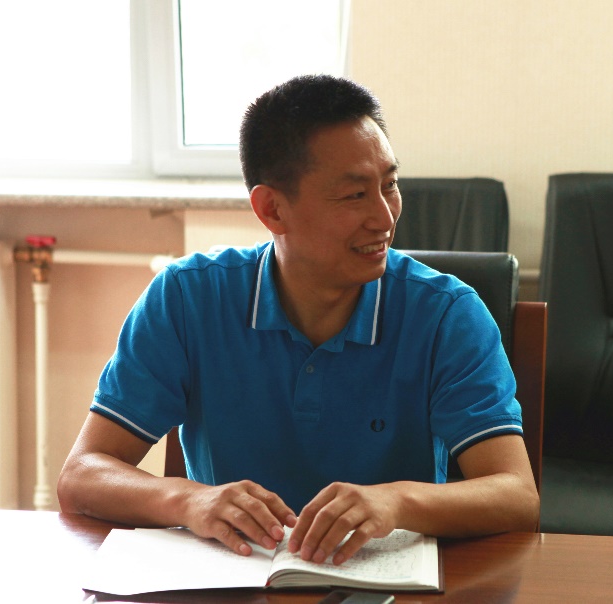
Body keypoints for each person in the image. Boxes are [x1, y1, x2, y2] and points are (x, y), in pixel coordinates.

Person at [57, 74, 539, 566]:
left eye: (390, 185)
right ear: (272, 209)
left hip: (384, 586)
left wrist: (396, 501)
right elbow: (82, 474)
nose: (385, 217)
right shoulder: (187, 298)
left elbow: (517, 494)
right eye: (354, 196)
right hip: (234, 579)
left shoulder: (447, 314)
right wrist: (189, 500)